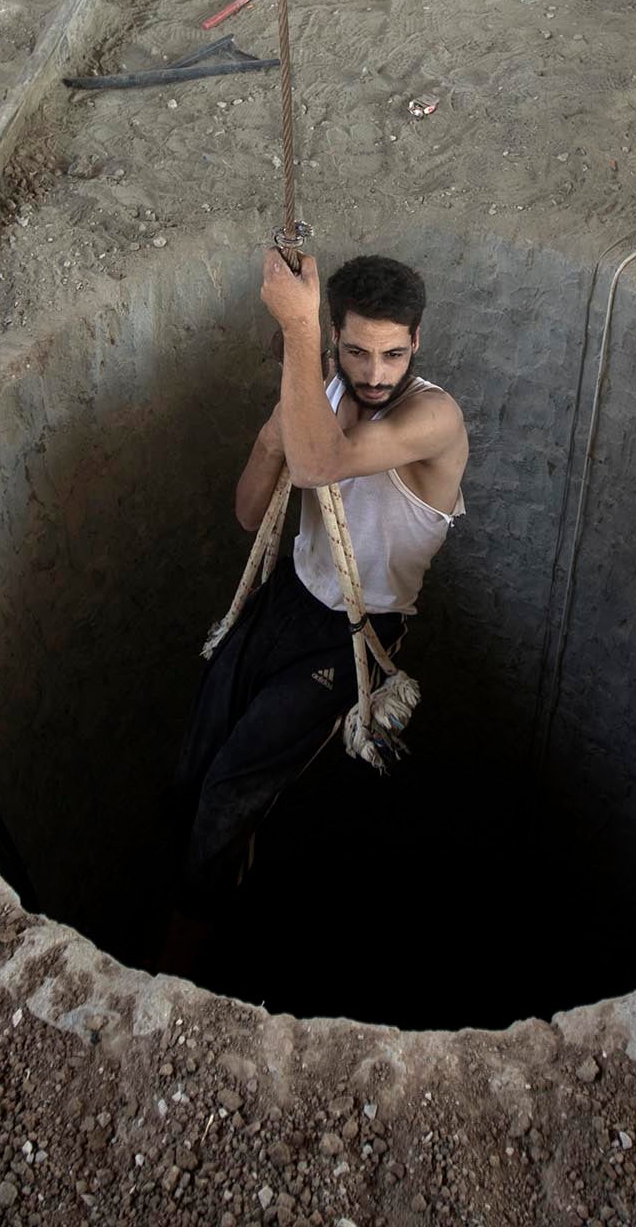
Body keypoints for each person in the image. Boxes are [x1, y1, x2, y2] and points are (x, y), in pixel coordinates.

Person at [167, 250, 468, 929]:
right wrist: (273, 434)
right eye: (357, 352)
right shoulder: (321, 395)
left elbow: (322, 462)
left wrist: (300, 336)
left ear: (417, 340)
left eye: (393, 354)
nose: (375, 374)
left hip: (355, 633)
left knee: (229, 789)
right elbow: (251, 513)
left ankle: (189, 930)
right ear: (337, 337)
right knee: (194, 763)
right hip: (288, 599)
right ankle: (203, 877)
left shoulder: (433, 420)